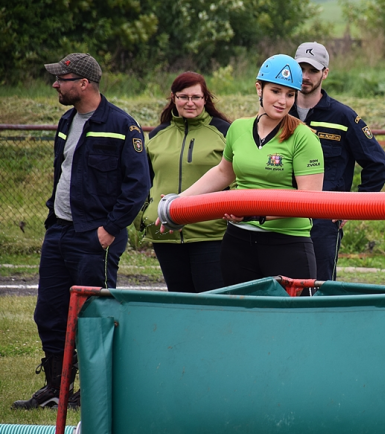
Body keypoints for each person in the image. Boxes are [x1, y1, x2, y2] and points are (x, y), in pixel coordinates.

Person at [13, 53, 150, 409]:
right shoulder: (66, 120)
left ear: (84, 84)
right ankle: (56, 389)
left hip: (95, 236)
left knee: (94, 315)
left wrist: (109, 229)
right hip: (59, 232)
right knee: (49, 312)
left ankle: (94, 389)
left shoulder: (122, 125)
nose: (56, 84)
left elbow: (138, 187)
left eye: (62, 79)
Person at [160, 55, 324, 285]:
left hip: (287, 243)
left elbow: (310, 200)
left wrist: (254, 213)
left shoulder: (304, 137)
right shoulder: (238, 128)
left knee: (291, 319)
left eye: (290, 94)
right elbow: (223, 173)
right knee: (240, 316)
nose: (283, 101)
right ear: (259, 88)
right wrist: (178, 201)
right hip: (238, 242)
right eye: (275, 91)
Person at [289, 42, 385, 281]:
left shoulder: (343, 116)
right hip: (281, 215)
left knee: (319, 285)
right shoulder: (279, 112)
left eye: (312, 70)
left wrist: (352, 206)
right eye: (300, 68)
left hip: (324, 220)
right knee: (281, 285)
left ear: (325, 72)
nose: (305, 76)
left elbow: (378, 164)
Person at [142, 72, 231, 292]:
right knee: (179, 301)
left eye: (196, 97)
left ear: (205, 99)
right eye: (183, 97)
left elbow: (236, 177)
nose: (189, 103)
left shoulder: (224, 132)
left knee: (212, 304)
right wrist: (145, 215)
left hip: (212, 234)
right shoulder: (156, 136)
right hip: (166, 235)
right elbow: (145, 181)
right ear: (173, 98)